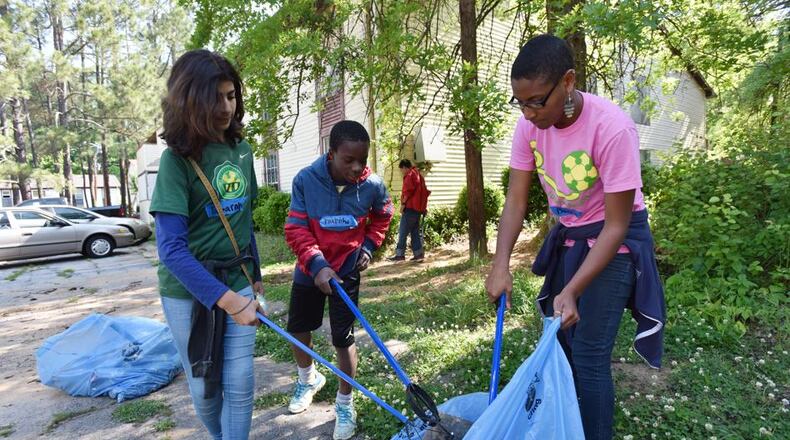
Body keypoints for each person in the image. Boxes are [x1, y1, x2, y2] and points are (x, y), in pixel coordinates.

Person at [484, 34, 665, 440]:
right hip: (571, 235)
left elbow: (617, 224)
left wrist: (574, 288)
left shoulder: (612, 128)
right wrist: (500, 267)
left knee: (588, 353)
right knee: (561, 347)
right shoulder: (528, 128)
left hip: (615, 241)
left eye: (537, 101)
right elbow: (515, 202)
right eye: (521, 101)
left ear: (568, 81)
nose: (529, 113)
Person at [151, 49, 265, 440]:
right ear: (189, 101)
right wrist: (229, 302)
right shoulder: (175, 161)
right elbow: (171, 251)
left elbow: (243, 220)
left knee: (240, 381)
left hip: (238, 277)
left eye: (231, 95)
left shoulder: (243, 150)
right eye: (214, 98)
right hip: (187, 291)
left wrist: (256, 276)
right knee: (205, 391)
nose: (226, 107)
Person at [284, 120, 393, 440]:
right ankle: (307, 379)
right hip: (309, 269)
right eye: (349, 160)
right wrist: (317, 265)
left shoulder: (372, 185)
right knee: (298, 329)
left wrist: (370, 247)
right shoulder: (305, 180)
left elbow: (383, 216)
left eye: (363, 159)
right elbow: (296, 228)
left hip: (346, 271)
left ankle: (345, 403)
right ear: (331, 154)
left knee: (343, 338)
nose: (357, 167)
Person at [388, 159, 430, 262]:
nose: (402, 172)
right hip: (417, 209)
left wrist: (402, 205)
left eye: (401, 169)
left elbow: (407, 192)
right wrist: (423, 208)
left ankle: (400, 255)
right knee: (414, 232)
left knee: (402, 231)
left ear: (405, 167)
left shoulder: (410, 175)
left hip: (410, 208)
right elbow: (424, 192)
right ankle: (418, 254)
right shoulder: (418, 175)